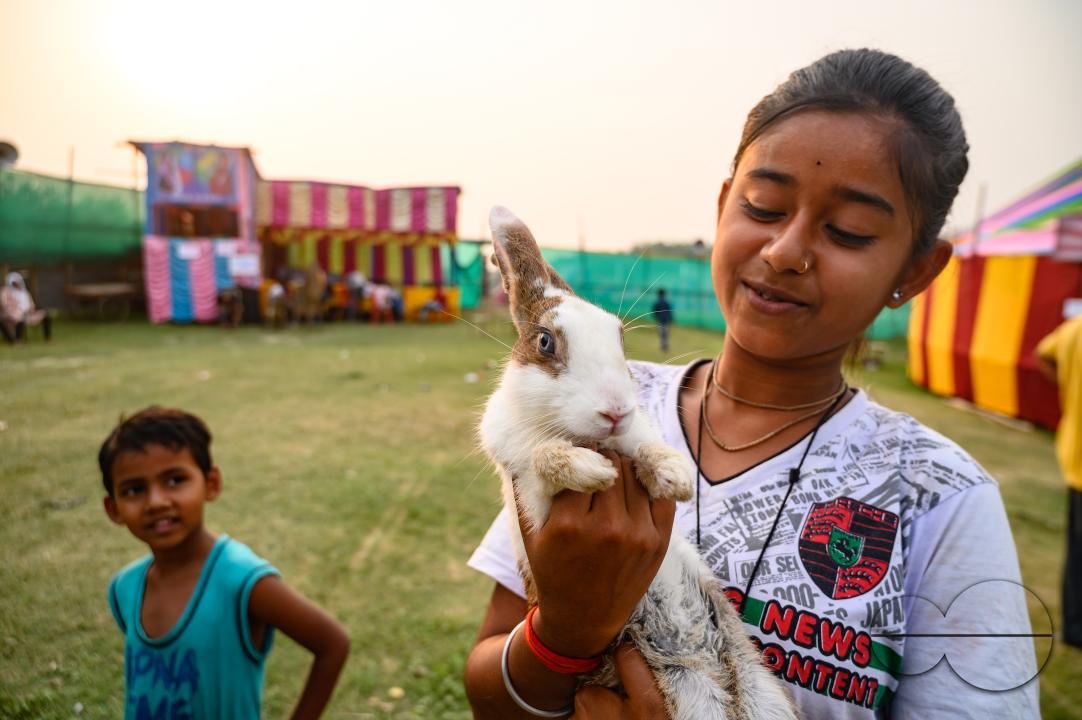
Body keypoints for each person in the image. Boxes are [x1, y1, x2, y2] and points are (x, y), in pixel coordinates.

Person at [463, 49, 1039, 719]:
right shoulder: (596, 414)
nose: (785, 251)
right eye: (764, 206)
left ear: (914, 272)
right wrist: (562, 635)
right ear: (722, 205)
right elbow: (489, 687)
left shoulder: (941, 496)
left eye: (847, 231)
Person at [99, 407, 350, 719]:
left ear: (211, 484)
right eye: (134, 490)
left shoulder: (243, 581)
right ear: (114, 509)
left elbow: (332, 644)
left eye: (175, 480)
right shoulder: (126, 587)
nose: (157, 502)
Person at [1037, 313, 1082, 648]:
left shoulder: (1076, 326)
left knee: (1078, 550)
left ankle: (1074, 626)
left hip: (1076, 454)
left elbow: (1043, 353)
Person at [1, 272, 52, 344]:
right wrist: (15, 310)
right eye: (14, 282)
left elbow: (31, 303)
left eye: (17, 282)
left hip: (28, 313)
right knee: (19, 318)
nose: (16, 284)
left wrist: (31, 309)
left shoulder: (24, 292)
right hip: (13, 314)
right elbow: (5, 304)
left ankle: (48, 338)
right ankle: (18, 340)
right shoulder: (6, 291)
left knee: (46, 315)